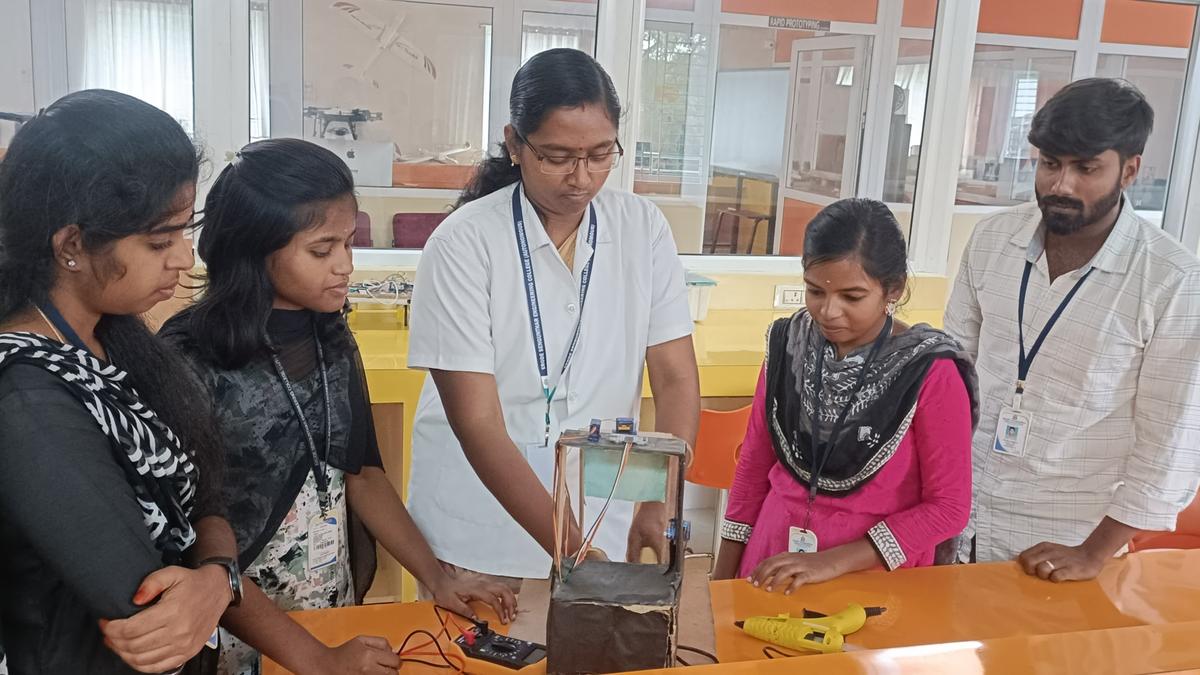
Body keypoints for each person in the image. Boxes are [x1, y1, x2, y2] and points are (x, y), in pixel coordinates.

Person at [161, 138, 515, 675]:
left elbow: (363, 475)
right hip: (232, 615)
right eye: (322, 250)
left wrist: (440, 577)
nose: (346, 266)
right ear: (254, 249)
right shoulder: (188, 354)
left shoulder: (331, 336)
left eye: (349, 243)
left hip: (327, 609)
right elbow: (189, 533)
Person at [406, 48, 701, 586]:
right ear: (515, 144)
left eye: (599, 154)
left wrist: (662, 499)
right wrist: (573, 549)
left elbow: (676, 376)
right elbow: (477, 422)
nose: (581, 178)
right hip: (482, 527)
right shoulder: (464, 242)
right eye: (557, 156)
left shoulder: (642, 228)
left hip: (600, 514)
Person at [0, 90, 236, 674]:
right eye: (160, 241)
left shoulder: (115, 339)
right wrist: (210, 585)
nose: (183, 258)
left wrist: (216, 580)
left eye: (185, 230)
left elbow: (205, 502)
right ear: (72, 245)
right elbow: (149, 611)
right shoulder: (27, 398)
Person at [944, 78, 1200, 580]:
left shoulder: (1172, 280)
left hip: (1067, 543)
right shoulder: (993, 238)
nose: (1061, 185)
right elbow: (952, 369)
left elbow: (1170, 443)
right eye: (1050, 164)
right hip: (958, 516)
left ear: (1129, 170)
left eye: (1086, 168)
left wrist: (1093, 552)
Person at [713, 199, 976, 591]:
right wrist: (720, 583)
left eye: (852, 297)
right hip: (771, 561)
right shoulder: (789, 344)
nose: (828, 311)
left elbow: (948, 508)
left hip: (874, 579)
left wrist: (833, 562)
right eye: (815, 291)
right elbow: (753, 467)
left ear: (893, 289)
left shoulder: (929, 370)